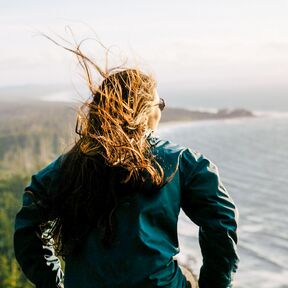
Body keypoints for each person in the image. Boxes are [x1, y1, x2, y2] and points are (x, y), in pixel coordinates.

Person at [14, 44, 239, 288]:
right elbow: (221, 222)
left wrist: (54, 283)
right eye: (159, 104)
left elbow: (29, 229)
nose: (161, 111)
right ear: (144, 111)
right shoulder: (182, 161)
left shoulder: (66, 166)